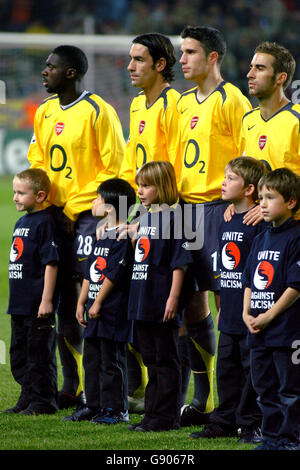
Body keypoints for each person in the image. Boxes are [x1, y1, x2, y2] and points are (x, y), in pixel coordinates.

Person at [27, 45, 125, 410]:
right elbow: (37, 158)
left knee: (97, 296)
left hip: (88, 216)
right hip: (53, 213)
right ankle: (72, 385)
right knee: (63, 300)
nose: (44, 72)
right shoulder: (45, 111)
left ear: (70, 73)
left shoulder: (98, 111)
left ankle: (122, 384)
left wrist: (79, 206)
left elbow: (114, 168)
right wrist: (45, 201)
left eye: (51, 67)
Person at [177, 25, 252, 426]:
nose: (182, 59)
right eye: (181, 51)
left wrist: (240, 206)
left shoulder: (232, 100)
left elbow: (247, 160)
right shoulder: (184, 101)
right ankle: (204, 399)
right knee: (191, 301)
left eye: (190, 52)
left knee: (230, 305)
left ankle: (236, 402)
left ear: (212, 57)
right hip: (186, 211)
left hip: (218, 211)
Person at [119, 33, 181, 412]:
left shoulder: (176, 103)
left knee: (182, 310)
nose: (130, 66)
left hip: (173, 213)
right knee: (137, 302)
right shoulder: (138, 105)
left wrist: (163, 214)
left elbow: (174, 167)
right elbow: (132, 160)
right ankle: (150, 391)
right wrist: (125, 208)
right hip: (143, 211)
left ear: (160, 64)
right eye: (130, 59)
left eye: (139, 59)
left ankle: (189, 397)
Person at [190, 156, 267, 442]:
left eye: (231, 178)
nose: (223, 182)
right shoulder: (225, 220)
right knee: (226, 369)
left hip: (252, 314)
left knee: (252, 371)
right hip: (230, 311)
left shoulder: (259, 225)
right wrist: (221, 304)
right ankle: (223, 420)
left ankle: (250, 423)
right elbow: (225, 268)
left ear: (249, 189)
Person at [64, 178, 136, 423]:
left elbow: (114, 274)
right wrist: (82, 301)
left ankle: (116, 410)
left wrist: (97, 302)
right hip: (94, 308)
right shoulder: (101, 234)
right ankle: (93, 405)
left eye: (97, 199)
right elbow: (91, 270)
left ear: (109, 208)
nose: (92, 202)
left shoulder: (122, 237)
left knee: (111, 361)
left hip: (112, 310)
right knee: (92, 359)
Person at [127, 161, 192, 432]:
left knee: (165, 359)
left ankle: (166, 418)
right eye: (138, 185)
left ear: (163, 186)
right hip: (142, 298)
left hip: (161, 299)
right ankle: (151, 414)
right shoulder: (146, 217)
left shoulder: (177, 219)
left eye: (146, 186)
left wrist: (173, 299)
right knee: (151, 359)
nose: (140, 191)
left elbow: (180, 263)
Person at [242, 168, 300, 450]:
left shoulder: (296, 237)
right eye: (261, 197)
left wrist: (269, 316)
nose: (262, 203)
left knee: (290, 389)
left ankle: (291, 439)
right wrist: (246, 313)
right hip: (259, 330)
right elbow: (249, 279)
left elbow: (296, 286)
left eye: (270, 197)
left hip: (287, 330)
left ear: (290, 202)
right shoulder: (260, 237)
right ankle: (272, 438)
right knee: (264, 387)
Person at [225, 41, 300, 226]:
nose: (249, 74)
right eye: (251, 67)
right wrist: (238, 199)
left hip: (292, 226)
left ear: (280, 78)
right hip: (256, 223)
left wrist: (272, 205)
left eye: (259, 68)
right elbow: (246, 172)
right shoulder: (248, 120)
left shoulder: (296, 120)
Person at [4, 168, 59, 416]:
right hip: (19, 302)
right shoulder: (21, 221)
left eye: (21, 193)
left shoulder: (45, 222)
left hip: (37, 304)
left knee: (39, 356)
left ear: (39, 195)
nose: (15, 197)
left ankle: (44, 401)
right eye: (14, 191)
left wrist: (46, 300)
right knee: (19, 355)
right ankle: (27, 396)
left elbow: (51, 263)